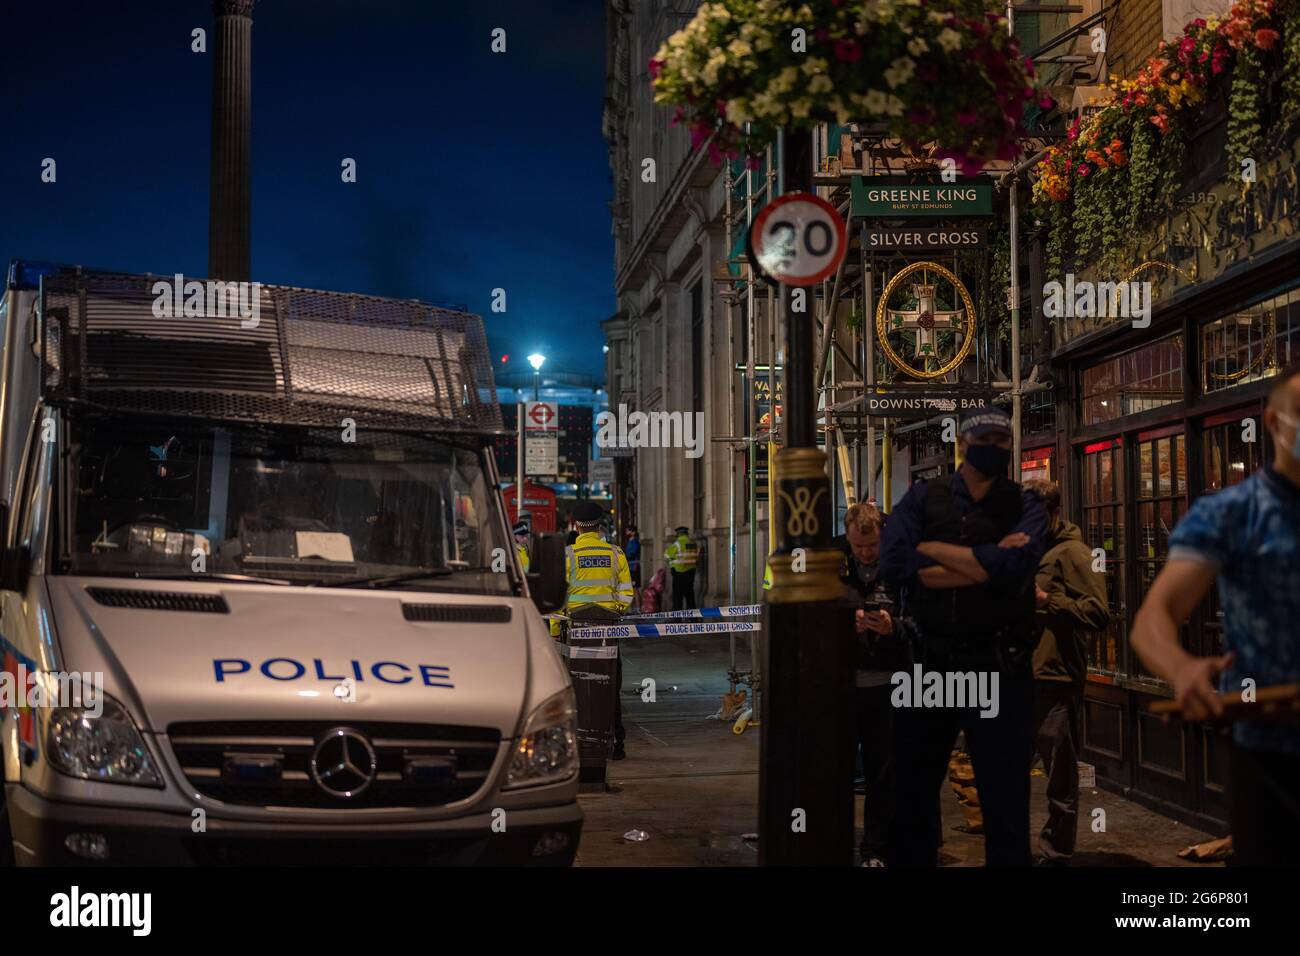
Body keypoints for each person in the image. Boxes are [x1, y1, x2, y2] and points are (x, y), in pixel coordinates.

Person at [1131, 361, 1300, 867]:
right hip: (1272, 756)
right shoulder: (1231, 513)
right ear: (1273, 421)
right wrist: (1182, 669)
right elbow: (1153, 616)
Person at [879, 405, 1047, 867]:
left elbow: (1017, 571)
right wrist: (984, 563)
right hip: (929, 662)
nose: (994, 449)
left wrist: (931, 552)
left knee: (1007, 799)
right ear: (964, 444)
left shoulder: (1024, 503)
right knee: (911, 794)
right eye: (985, 440)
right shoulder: (923, 497)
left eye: (1002, 441)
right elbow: (893, 564)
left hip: (999, 665)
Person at [1022, 479, 1109, 866]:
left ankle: (1055, 854)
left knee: (1059, 775)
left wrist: (1047, 600)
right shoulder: (1028, 549)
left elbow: (1097, 612)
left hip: (1056, 679)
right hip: (1020, 676)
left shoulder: (1075, 553)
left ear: (1053, 512)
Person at [835, 503, 912, 866]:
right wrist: (839, 625)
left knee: (884, 773)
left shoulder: (902, 565)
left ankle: (876, 848)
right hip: (843, 685)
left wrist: (893, 627)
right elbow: (810, 616)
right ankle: (834, 843)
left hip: (888, 685)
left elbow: (922, 619)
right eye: (858, 546)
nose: (865, 553)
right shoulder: (833, 564)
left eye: (872, 546)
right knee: (837, 770)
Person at [565, 500, 635, 760]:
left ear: (577, 526)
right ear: (599, 525)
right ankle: (617, 743)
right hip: (608, 630)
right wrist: (614, 612)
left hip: (575, 631)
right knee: (610, 685)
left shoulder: (569, 555)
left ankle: (582, 743)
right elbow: (627, 592)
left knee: (578, 686)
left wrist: (557, 623)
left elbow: (557, 596)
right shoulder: (616, 553)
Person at [665, 525, 700, 610]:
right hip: (691, 572)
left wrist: (672, 561)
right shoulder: (693, 543)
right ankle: (693, 619)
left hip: (679, 573)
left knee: (677, 598)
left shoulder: (677, 544)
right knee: (690, 597)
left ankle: (677, 619)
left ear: (678, 534)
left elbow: (667, 555)